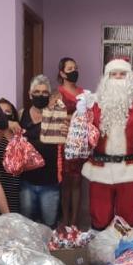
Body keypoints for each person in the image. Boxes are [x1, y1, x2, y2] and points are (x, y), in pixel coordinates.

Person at [82, 58, 133, 229]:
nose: (117, 77)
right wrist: (80, 112)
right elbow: (81, 132)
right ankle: (100, 244)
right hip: (100, 167)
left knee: (128, 218)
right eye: (113, 74)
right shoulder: (93, 102)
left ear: (129, 77)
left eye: (122, 74)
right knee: (100, 217)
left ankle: (126, 245)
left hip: (129, 168)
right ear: (106, 78)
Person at [19, 75, 62, 227]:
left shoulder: (56, 116)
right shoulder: (21, 114)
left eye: (44, 92)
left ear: (49, 95)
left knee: (49, 225)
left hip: (50, 182)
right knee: (26, 225)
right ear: (30, 95)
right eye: (36, 92)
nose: (40, 95)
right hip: (26, 181)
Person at [55, 57, 85, 227]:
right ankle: (65, 220)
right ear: (62, 73)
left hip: (79, 143)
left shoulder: (83, 93)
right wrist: (74, 118)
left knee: (78, 182)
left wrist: (73, 118)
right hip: (64, 143)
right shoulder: (57, 93)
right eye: (70, 69)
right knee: (66, 183)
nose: (74, 71)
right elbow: (54, 117)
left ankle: (75, 221)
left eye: (76, 68)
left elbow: (88, 117)